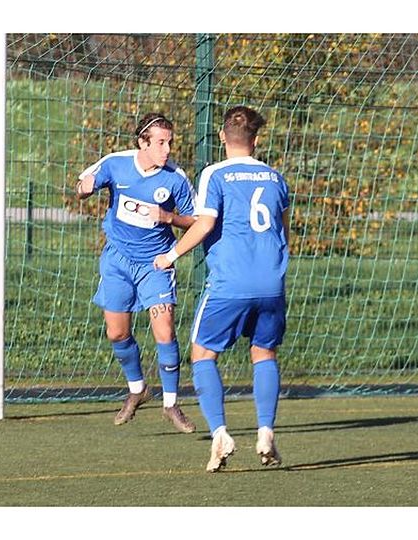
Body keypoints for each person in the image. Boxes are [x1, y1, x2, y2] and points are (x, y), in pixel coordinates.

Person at [154, 105, 289, 472]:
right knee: (264, 354)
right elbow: (283, 231)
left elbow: (205, 223)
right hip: (272, 283)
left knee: (202, 355)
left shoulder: (215, 174)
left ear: (221, 137)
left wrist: (172, 254)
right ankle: (265, 430)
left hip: (230, 282)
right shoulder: (276, 178)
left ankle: (220, 434)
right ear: (257, 140)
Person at [74, 112, 197, 433]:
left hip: (155, 264)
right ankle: (137, 388)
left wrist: (168, 217)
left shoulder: (175, 178)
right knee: (116, 333)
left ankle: (171, 403)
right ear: (143, 142)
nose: (167, 149)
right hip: (117, 260)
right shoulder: (116, 163)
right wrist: (85, 188)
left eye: (170, 142)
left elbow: (197, 221)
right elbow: (83, 183)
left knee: (165, 330)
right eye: (160, 142)